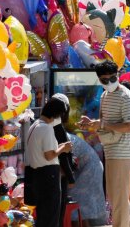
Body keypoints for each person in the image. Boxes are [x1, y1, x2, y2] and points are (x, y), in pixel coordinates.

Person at [77, 60, 130, 227]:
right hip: (110, 150)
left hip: (122, 151)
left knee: (118, 197)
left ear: (117, 75)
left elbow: (129, 126)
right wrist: (92, 123)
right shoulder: (105, 95)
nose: (109, 82)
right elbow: (105, 122)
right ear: (99, 80)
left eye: (113, 78)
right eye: (105, 80)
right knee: (114, 196)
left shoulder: (126, 97)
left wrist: (101, 124)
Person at [25, 97, 73, 227]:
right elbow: (49, 155)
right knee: (51, 216)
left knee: (43, 215)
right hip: (49, 175)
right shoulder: (46, 129)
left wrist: (60, 146)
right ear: (56, 114)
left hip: (37, 174)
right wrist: (64, 148)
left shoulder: (35, 125)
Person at [68, 134, 107, 226]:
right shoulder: (68, 137)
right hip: (91, 167)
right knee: (82, 208)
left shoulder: (66, 140)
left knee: (77, 204)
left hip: (89, 169)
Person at [51, 93, 76, 226]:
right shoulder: (58, 128)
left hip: (50, 173)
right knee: (59, 211)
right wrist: (71, 177)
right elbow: (63, 156)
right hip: (60, 175)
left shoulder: (45, 124)